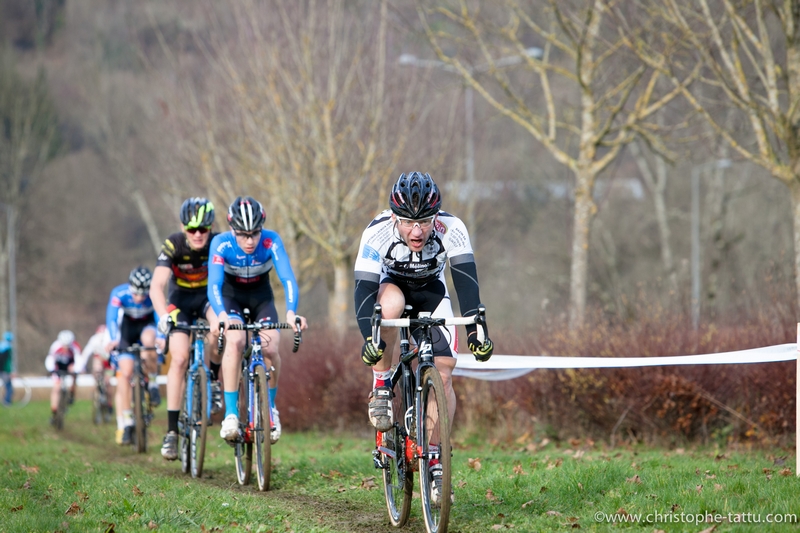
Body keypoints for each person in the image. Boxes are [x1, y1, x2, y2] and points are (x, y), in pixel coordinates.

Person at [353, 172, 494, 505]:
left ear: (436, 217)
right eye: (407, 223)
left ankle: (434, 459)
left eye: (425, 222)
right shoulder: (376, 233)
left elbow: (466, 283)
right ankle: (383, 385)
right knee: (390, 306)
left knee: (444, 367)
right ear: (393, 218)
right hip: (392, 291)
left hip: (432, 293)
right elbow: (363, 292)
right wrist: (369, 341)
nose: (416, 232)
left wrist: (476, 332)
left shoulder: (452, 229)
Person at [207, 196, 307, 445]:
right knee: (236, 340)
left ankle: (270, 409)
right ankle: (231, 414)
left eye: (254, 234)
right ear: (232, 230)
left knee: (270, 347)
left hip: (261, 298)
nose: (250, 241)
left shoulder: (271, 240)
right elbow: (214, 284)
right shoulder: (221, 243)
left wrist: (292, 313)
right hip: (231, 299)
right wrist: (221, 314)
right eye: (243, 235)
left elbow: (288, 279)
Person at [150, 197, 223, 461]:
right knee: (179, 358)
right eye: (192, 229)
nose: (198, 234)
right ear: (183, 228)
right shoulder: (174, 243)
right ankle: (171, 431)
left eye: (203, 229)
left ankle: (213, 381)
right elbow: (157, 285)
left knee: (219, 327)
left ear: (210, 227)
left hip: (206, 300)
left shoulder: (217, 242)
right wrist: (162, 316)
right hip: (179, 302)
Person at [105, 266, 159, 445]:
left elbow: (159, 317)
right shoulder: (119, 294)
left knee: (149, 341)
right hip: (127, 331)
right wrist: (113, 339)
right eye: (136, 294)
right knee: (125, 373)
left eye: (144, 294)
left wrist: (161, 338)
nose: (140, 298)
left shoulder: (153, 294)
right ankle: (127, 421)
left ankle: (152, 382)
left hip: (146, 327)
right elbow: (111, 319)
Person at [44, 330, 81, 424]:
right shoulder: (55, 346)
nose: (66, 347)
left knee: (74, 374)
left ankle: (72, 393)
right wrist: (51, 369)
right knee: (56, 388)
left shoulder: (74, 347)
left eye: (68, 345)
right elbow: (50, 359)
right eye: (64, 345)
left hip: (69, 365)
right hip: (58, 366)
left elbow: (79, 360)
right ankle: (54, 411)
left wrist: (76, 370)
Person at [80, 324, 114, 414]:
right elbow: (87, 352)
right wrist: (82, 366)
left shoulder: (111, 338)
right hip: (99, 359)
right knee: (97, 370)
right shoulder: (94, 340)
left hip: (110, 361)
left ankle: (110, 404)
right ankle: (97, 392)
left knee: (107, 382)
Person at [0, 331, 14, 406]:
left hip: (2, 370)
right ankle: (7, 402)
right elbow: (7, 362)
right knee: (9, 388)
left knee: (7, 386)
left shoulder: (1, 345)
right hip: (5, 370)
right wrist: (10, 371)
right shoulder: (8, 348)